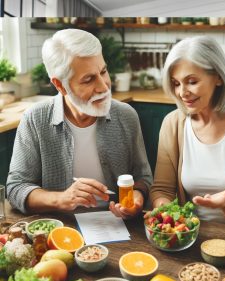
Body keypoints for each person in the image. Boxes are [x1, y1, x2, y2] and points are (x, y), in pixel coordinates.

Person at [7, 29, 152, 218]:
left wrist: (137, 198)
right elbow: (16, 188)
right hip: (60, 231)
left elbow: (143, 178)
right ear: (60, 85)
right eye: (89, 79)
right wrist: (62, 199)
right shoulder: (35, 119)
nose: (103, 86)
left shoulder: (126, 116)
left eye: (103, 71)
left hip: (119, 228)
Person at [150, 36, 225, 229]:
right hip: (192, 235)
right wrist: (171, 219)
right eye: (176, 83)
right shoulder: (172, 124)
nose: (182, 93)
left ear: (218, 77)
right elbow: (162, 190)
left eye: (191, 81)